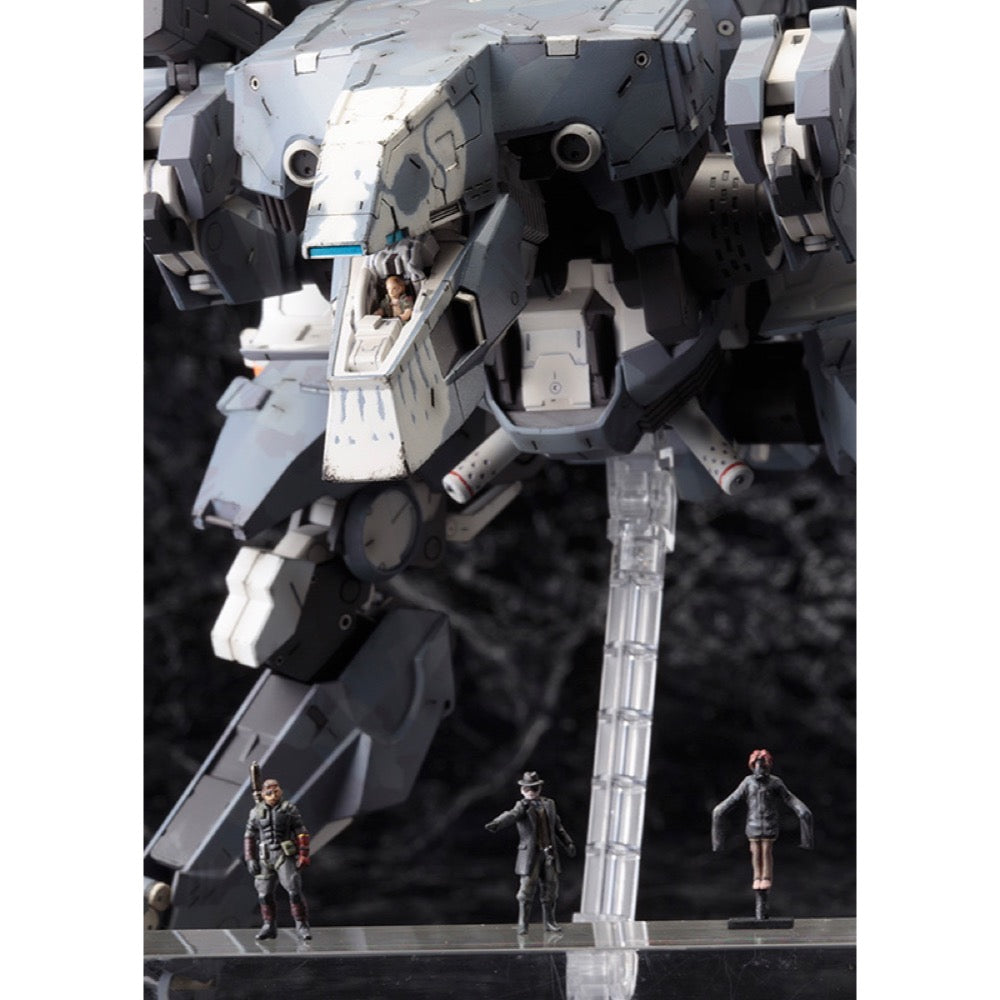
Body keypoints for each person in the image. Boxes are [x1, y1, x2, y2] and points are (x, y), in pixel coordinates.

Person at [711, 749, 813, 920]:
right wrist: (719, 810)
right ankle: (757, 877)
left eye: (763, 765)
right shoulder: (747, 783)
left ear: (768, 766)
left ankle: (765, 877)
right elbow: (733, 799)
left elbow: (789, 798)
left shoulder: (775, 783)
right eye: (757, 765)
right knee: (755, 852)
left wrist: (801, 809)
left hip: (769, 825)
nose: (760, 769)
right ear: (752, 766)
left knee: (766, 851)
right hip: (753, 825)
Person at [485, 771, 576, 934]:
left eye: (534, 788)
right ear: (522, 790)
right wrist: (497, 823)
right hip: (530, 856)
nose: (531, 792)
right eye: (527, 788)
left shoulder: (549, 804)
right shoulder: (522, 806)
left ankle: (549, 922)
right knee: (526, 891)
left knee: (551, 889)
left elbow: (558, 827)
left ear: (539, 788)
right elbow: (511, 815)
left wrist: (567, 842)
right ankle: (523, 924)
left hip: (548, 854)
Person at [243, 778, 312, 940]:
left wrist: (303, 854)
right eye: (269, 792)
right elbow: (249, 835)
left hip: (284, 855)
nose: (273, 795)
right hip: (265, 857)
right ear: (263, 794)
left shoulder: (289, 809)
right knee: (264, 894)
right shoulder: (255, 812)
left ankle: (301, 925)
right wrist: (250, 858)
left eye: (276, 791)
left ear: (280, 791)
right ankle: (269, 925)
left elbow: (301, 832)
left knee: (294, 891)